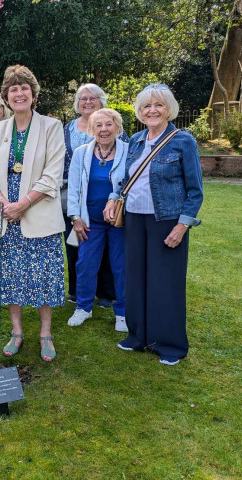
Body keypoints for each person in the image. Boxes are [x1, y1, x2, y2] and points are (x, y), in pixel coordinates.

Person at [105, 83, 203, 366]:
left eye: (158, 105)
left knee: (165, 284)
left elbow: (195, 190)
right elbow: (124, 180)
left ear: (168, 109)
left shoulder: (183, 141)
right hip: (134, 219)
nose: (152, 110)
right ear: (139, 110)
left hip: (166, 221)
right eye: (147, 106)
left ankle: (169, 345)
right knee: (136, 280)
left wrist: (182, 225)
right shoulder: (135, 140)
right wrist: (114, 199)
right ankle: (138, 337)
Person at [0, 65, 66, 362]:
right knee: (10, 276)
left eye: (24, 88)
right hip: (5, 214)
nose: (19, 93)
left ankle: (45, 334)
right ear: (6, 96)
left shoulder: (52, 127)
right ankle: (16, 332)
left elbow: (53, 174)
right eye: (13, 89)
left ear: (33, 93)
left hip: (37, 211)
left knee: (43, 276)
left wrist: (23, 203)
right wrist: (4, 202)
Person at [66, 108, 129, 333]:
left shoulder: (128, 152)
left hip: (118, 220)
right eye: (99, 125)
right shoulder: (82, 153)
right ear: (92, 129)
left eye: (109, 124)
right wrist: (75, 218)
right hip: (89, 219)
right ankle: (83, 307)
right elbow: (73, 188)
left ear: (117, 127)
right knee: (85, 263)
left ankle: (122, 311)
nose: (104, 129)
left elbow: (130, 185)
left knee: (121, 266)